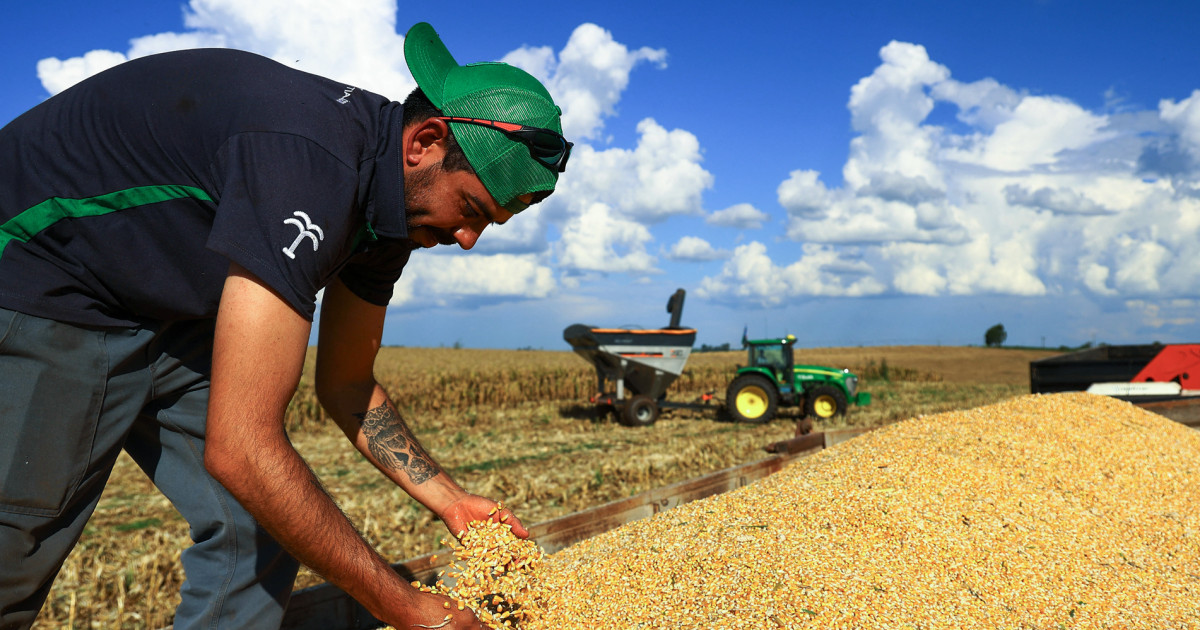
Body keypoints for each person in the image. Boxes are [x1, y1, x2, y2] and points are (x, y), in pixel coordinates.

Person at [0, 21, 570, 630]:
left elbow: (346, 384)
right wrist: (408, 608)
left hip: (169, 301)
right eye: (472, 210)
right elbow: (242, 449)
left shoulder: (397, 212)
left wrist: (453, 503)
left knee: (262, 530)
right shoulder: (312, 163)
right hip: (46, 271)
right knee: (18, 543)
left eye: (489, 225)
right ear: (424, 142)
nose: (466, 240)